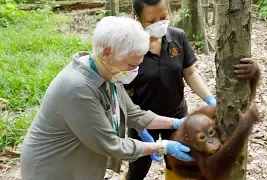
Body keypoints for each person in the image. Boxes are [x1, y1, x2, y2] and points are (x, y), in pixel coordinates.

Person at [20, 16, 195, 180]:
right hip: (53, 170)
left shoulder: (108, 73)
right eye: (131, 65)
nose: (135, 71)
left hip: (81, 166)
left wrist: (174, 123)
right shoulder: (78, 89)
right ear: (107, 52)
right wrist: (161, 146)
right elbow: (111, 145)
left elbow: (134, 114)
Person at [123, 0, 260, 179]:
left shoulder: (177, 37)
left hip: (177, 117)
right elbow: (122, 94)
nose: (159, 23)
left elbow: (191, 74)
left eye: (163, 17)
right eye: (151, 21)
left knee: (176, 162)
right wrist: (138, 125)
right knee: (139, 166)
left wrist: (210, 99)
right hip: (144, 119)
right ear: (136, 18)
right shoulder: (129, 49)